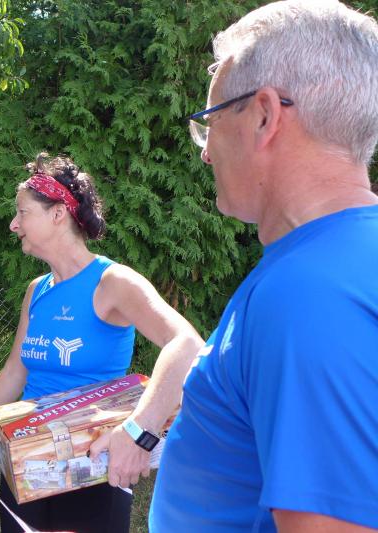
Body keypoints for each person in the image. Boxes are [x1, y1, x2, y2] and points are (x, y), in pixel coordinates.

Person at [149, 1, 378, 531]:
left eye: (210, 122)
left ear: (264, 115)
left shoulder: (306, 295)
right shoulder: (342, 261)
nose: (205, 153)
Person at [0, 152, 203, 533]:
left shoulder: (112, 282)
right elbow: (15, 370)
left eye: (22, 212)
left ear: (58, 213)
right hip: (28, 463)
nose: (13, 224)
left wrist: (139, 432)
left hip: (92, 465)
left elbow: (188, 344)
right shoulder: (36, 291)